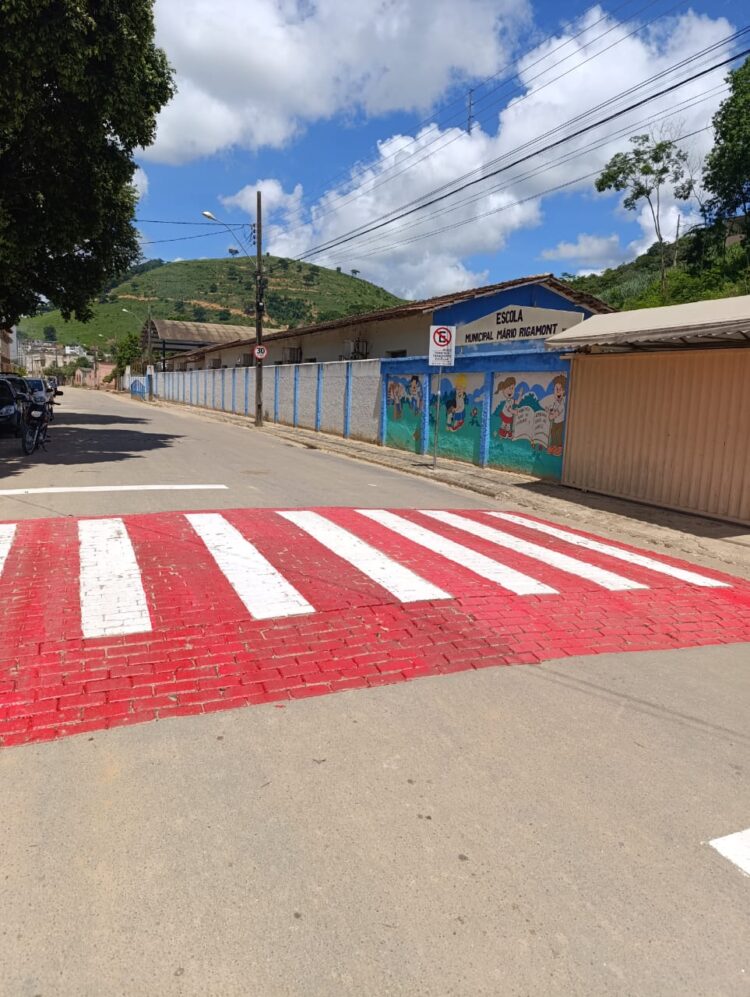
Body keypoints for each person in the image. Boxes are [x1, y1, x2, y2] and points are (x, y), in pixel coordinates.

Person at [546, 374, 567, 456]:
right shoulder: (555, 403)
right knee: (553, 434)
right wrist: (549, 411)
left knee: (558, 436)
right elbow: (553, 411)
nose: (558, 391)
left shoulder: (562, 405)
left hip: (560, 423)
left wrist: (550, 415)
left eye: (560, 389)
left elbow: (555, 414)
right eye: (556, 389)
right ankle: (553, 448)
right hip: (555, 422)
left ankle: (558, 449)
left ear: (564, 391)